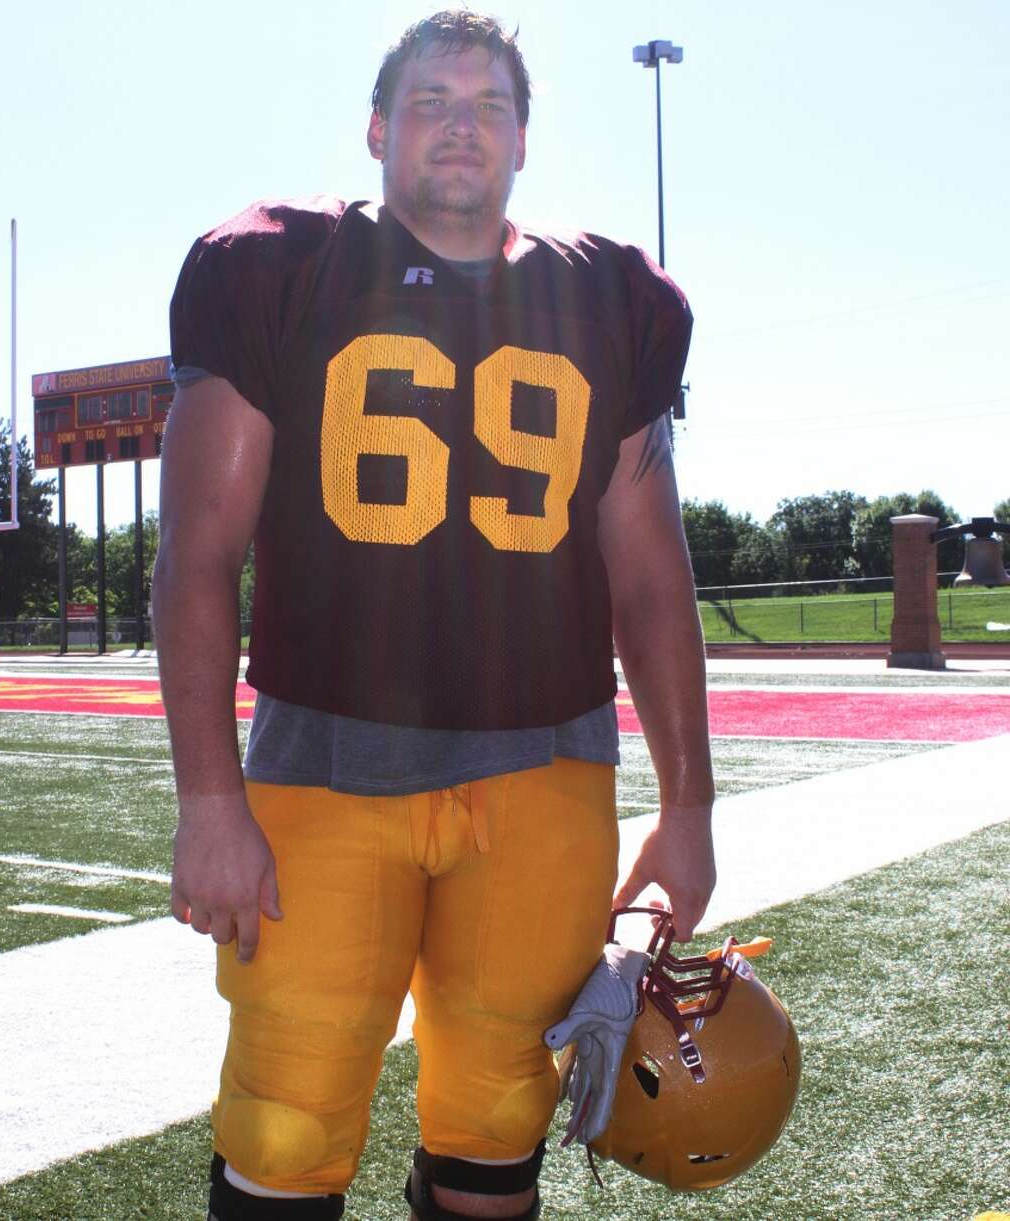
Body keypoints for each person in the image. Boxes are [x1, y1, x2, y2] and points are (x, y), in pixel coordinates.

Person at [152, 11, 715, 1220]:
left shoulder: (611, 294)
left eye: (490, 104)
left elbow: (651, 577)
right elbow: (198, 552)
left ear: (524, 136)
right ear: (375, 128)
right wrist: (208, 800)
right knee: (287, 1120)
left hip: (546, 770)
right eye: (431, 101)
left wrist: (690, 804)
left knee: (500, 1116)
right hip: (323, 767)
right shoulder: (280, 268)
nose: (462, 125)